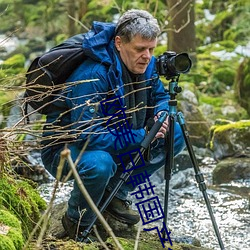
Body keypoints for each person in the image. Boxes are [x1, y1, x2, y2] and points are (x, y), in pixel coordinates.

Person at [41, 9, 185, 241]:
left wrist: (161, 114)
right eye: (140, 49)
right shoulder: (92, 75)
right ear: (119, 43)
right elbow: (87, 135)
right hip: (67, 150)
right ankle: (76, 221)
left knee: (175, 132)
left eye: (151, 49)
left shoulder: (145, 64)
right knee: (100, 164)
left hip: (118, 137)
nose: (147, 56)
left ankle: (116, 193)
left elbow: (159, 96)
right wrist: (141, 136)